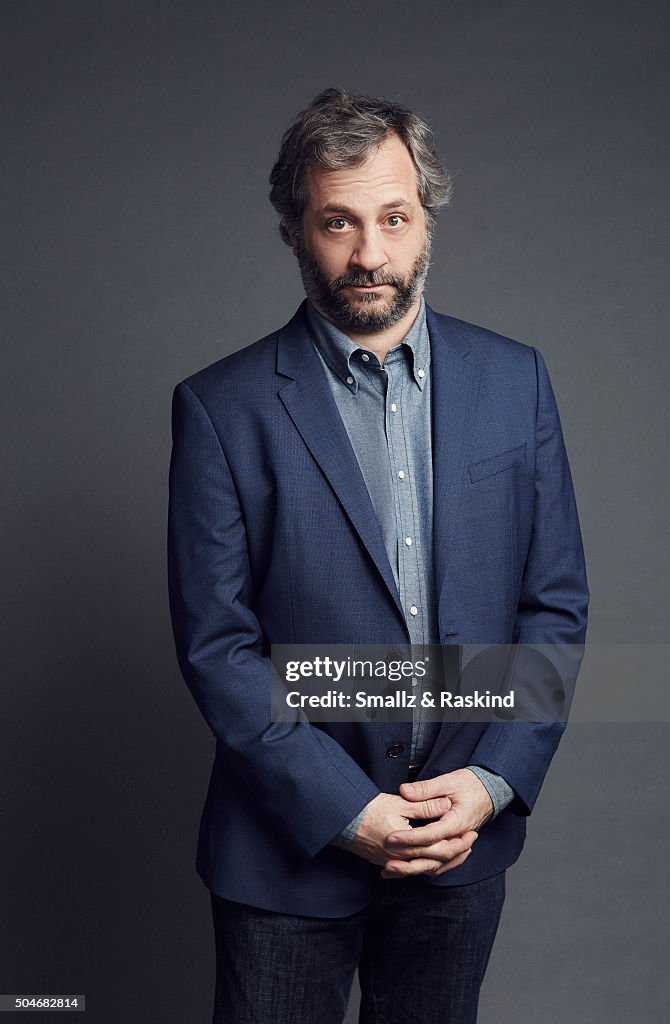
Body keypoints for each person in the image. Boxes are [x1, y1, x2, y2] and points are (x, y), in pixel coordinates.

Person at [167, 87, 589, 1024]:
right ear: (292, 230)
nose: (369, 253)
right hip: (284, 852)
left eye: (393, 218)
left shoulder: (513, 380)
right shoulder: (219, 407)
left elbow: (551, 608)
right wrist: (341, 811)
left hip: (458, 847)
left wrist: (490, 784)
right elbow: (217, 646)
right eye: (338, 222)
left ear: (424, 219)